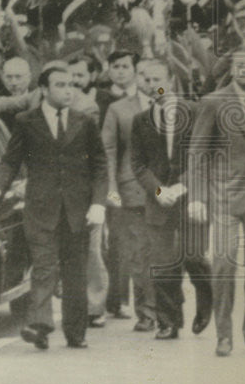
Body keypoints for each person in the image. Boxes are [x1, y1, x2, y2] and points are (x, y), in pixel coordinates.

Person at [0, 63, 107, 350]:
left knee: (75, 272)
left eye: (71, 85)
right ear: (44, 90)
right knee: (43, 266)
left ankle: (76, 332)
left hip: (78, 210)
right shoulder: (27, 121)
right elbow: (10, 162)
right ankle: (39, 325)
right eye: (60, 85)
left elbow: (100, 165)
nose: (67, 90)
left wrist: (99, 203)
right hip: (40, 208)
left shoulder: (84, 121)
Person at [187, 47, 245, 356]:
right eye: (240, 65)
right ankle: (224, 336)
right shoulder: (214, 102)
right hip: (223, 195)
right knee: (224, 265)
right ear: (232, 69)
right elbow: (198, 152)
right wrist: (198, 197)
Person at [130, 59, 213, 339]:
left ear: (171, 80)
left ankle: (205, 298)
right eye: (147, 80)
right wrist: (157, 191)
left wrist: (181, 188)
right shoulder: (140, 121)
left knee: (193, 257)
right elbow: (138, 165)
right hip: (159, 201)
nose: (152, 85)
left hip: (192, 198)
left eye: (157, 79)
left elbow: (205, 157)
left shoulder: (196, 112)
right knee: (163, 263)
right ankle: (169, 322)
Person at [101, 55, 156, 331]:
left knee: (164, 250)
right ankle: (146, 312)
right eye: (144, 75)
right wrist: (111, 188)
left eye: (154, 77)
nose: (148, 81)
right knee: (138, 251)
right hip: (131, 187)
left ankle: (167, 308)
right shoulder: (118, 109)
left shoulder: (169, 104)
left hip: (166, 188)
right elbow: (108, 151)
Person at [66, 53, 109, 327]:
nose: (72, 82)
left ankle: (96, 306)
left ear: (90, 76)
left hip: (89, 182)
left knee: (92, 249)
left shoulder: (90, 106)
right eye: (68, 77)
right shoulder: (45, 99)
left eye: (79, 76)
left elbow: (99, 155)